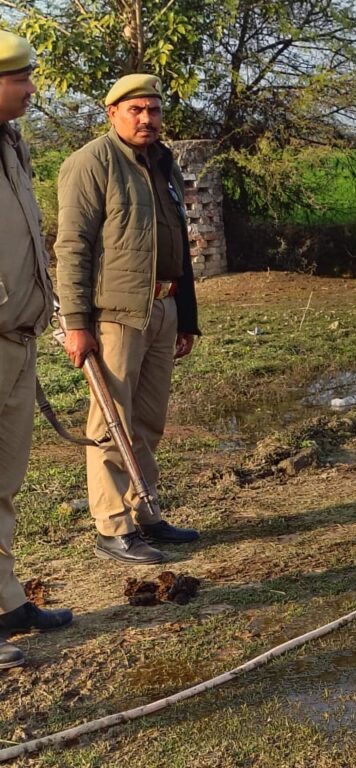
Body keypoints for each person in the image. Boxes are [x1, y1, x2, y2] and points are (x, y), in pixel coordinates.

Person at [55, 74, 201, 565]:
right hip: (114, 315)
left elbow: (177, 242)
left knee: (148, 420)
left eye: (153, 110)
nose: (146, 119)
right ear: (111, 111)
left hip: (163, 305)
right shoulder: (90, 163)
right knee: (111, 423)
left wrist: (187, 318)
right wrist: (77, 322)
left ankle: (145, 512)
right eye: (135, 109)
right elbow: (72, 246)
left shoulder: (164, 163)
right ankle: (111, 525)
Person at [0, 30, 74, 669]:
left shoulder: (11, 143)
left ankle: (5, 602)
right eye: (19, 78)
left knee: (4, 482)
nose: (30, 88)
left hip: (16, 342)